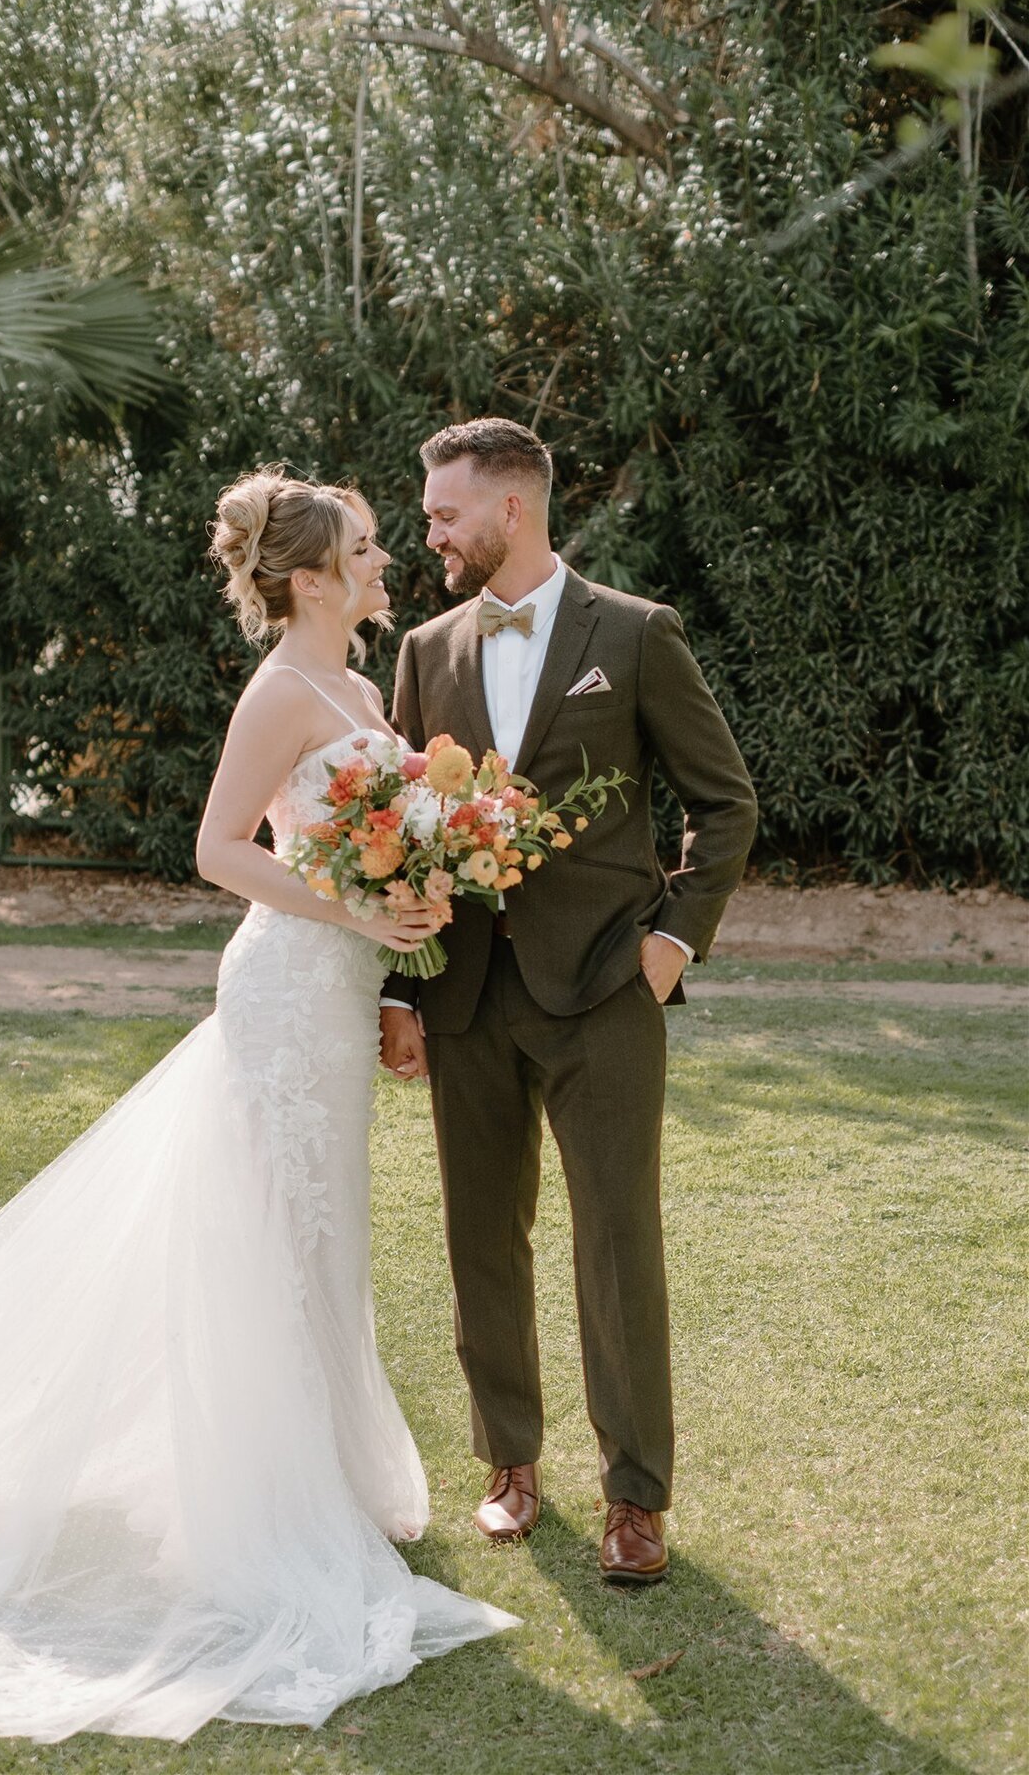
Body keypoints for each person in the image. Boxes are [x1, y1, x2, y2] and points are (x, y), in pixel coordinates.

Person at [0, 468, 515, 1743]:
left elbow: (348, 846)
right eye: (365, 551)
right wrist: (359, 909)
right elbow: (219, 848)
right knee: (268, 1232)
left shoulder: (361, 689)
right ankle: (262, 1505)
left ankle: (319, 1481)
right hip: (280, 991)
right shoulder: (279, 691)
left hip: (335, 994)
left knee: (319, 1234)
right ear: (309, 578)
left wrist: (397, 929)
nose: (382, 565)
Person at [380, 419, 757, 1585]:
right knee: (480, 1236)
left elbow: (725, 803)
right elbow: (396, 840)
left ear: (511, 509)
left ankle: (635, 1498)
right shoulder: (425, 648)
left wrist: (671, 945)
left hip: (605, 987)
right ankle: (509, 1465)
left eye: (447, 515)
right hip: (468, 995)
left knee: (616, 1239)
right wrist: (400, 988)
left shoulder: (636, 636)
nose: (431, 533)